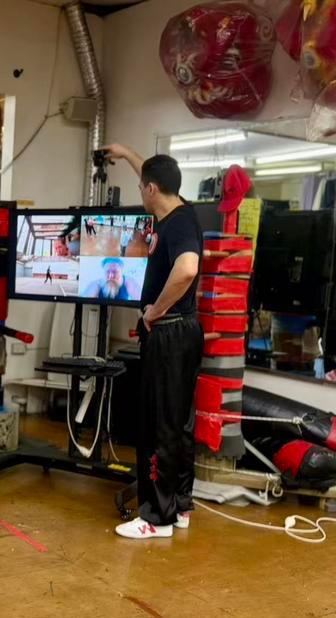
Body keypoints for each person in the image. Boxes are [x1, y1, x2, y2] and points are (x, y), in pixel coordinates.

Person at [103, 144, 203, 540]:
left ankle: (156, 518)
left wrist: (154, 312)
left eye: (142, 187)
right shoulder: (182, 212)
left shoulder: (176, 225)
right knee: (178, 423)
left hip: (169, 331)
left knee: (158, 426)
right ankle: (178, 507)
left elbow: (187, 269)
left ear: (151, 190)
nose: (141, 191)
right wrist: (126, 153)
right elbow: (154, 172)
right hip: (184, 330)